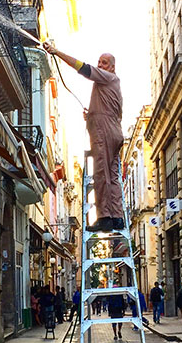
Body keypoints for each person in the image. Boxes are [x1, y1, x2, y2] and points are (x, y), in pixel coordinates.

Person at [43, 41, 124, 232]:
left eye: (104, 62)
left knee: (100, 174)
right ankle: (117, 217)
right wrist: (91, 116)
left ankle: (104, 217)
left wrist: (57, 52)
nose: (100, 65)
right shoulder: (112, 84)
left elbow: (82, 68)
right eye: (99, 62)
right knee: (112, 176)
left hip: (104, 132)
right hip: (112, 130)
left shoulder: (107, 77)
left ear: (112, 66)